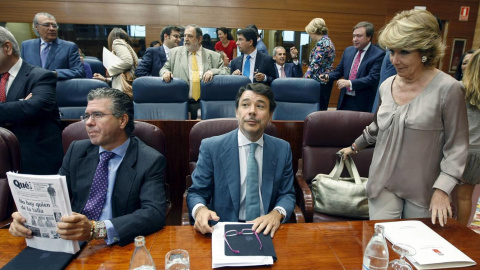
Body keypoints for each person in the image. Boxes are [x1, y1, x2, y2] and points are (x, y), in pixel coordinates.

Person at [340, 9, 468, 227]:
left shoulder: (450, 89)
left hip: (424, 188)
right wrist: (355, 146)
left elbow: (457, 147)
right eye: (392, 52)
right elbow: (378, 126)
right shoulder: (386, 85)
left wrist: (443, 188)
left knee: (415, 250)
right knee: (382, 244)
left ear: (425, 51)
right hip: (382, 182)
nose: (394, 60)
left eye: (404, 52)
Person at [9, 87, 167, 246]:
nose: (89, 122)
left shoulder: (150, 160)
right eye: (87, 116)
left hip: (119, 244)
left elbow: (153, 213)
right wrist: (28, 221)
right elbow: (53, 197)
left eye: (97, 115)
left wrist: (96, 229)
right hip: (73, 242)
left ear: (122, 120)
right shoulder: (76, 151)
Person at [187, 83, 295, 237]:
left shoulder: (282, 149)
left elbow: (287, 194)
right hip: (223, 229)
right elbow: (196, 192)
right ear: (236, 111)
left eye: (260, 106)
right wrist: (200, 210)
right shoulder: (212, 147)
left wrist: (276, 214)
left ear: (271, 114)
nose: (252, 111)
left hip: (267, 230)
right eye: (245, 105)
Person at [0, 26, 63, 175]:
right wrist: (19, 105)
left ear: (7, 48)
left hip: (33, 160)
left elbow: (34, 108)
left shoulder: (41, 76)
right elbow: (24, 109)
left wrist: (23, 107)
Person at [160, 24, 228, 119]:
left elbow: (226, 72)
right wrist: (165, 73)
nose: (186, 39)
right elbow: (164, 69)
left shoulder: (214, 56)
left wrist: (213, 71)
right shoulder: (174, 53)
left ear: (199, 39)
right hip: (182, 103)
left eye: (190, 36)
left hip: (206, 103)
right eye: (185, 36)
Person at [321, 21, 384, 112]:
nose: (355, 39)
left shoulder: (378, 54)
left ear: (369, 37)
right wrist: (327, 76)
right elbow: (339, 71)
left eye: (359, 36)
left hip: (362, 102)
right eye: (354, 36)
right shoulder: (348, 51)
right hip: (344, 99)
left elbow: (372, 78)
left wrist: (350, 83)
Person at [21, 12, 84, 80]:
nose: (52, 28)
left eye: (54, 26)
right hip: (32, 88)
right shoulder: (26, 45)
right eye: (47, 25)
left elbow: (79, 72)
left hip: (57, 88)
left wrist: (54, 74)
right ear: (36, 27)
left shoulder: (69, 47)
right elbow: (21, 71)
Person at [456, 49, 480, 226]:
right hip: (477, 151)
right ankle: (460, 235)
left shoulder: (460, 88)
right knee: (466, 196)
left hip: (461, 148)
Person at [93, 28, 138, 97]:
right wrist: (106, 79)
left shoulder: (117, 42)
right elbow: (122, 75)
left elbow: (128, 62)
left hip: (123, 89)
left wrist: (110, 70)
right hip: (129, 86)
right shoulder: (128, 47)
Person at [304, 18, 336, 110]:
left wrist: (304, 80)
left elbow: (315, 65)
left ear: (314, 31)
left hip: (320, 82)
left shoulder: (321, 44)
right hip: (326, 81)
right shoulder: (328, 41)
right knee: (322, 108)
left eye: (309, 33)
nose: (310, 35)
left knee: (316, 111)